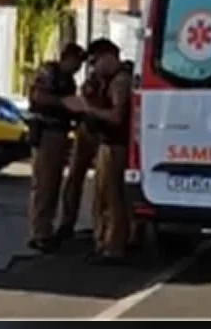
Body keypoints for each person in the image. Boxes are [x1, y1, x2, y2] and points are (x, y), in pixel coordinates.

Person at [66, 38, 133, 265]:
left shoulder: (121, 81)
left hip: (116, 144)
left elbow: (116, 116)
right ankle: (104, 241)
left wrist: (89, 108)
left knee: (112, 197)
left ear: (108, 57)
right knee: (102, 195)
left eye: (95, 62)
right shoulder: (105, 80)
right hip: (106, 143)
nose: (94, 68)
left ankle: (113, 245)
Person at [25, 42, 86, 253]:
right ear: (67, 58)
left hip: (59, 132)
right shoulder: (49, 72)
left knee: (54, 183)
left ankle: (46, 230)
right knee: (44, 184)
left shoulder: (68, 79)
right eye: (76, 61)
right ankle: (39, 233)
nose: (78, 66)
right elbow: (38, 97)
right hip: (46, 131)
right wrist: (64, 103)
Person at [53, 62, 106, 243]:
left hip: (102, 132)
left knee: (104, 184)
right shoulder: (91, 82)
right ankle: (67, 222)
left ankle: (102, 229)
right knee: (74, 177)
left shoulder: (116, 81)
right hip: (87, 128)